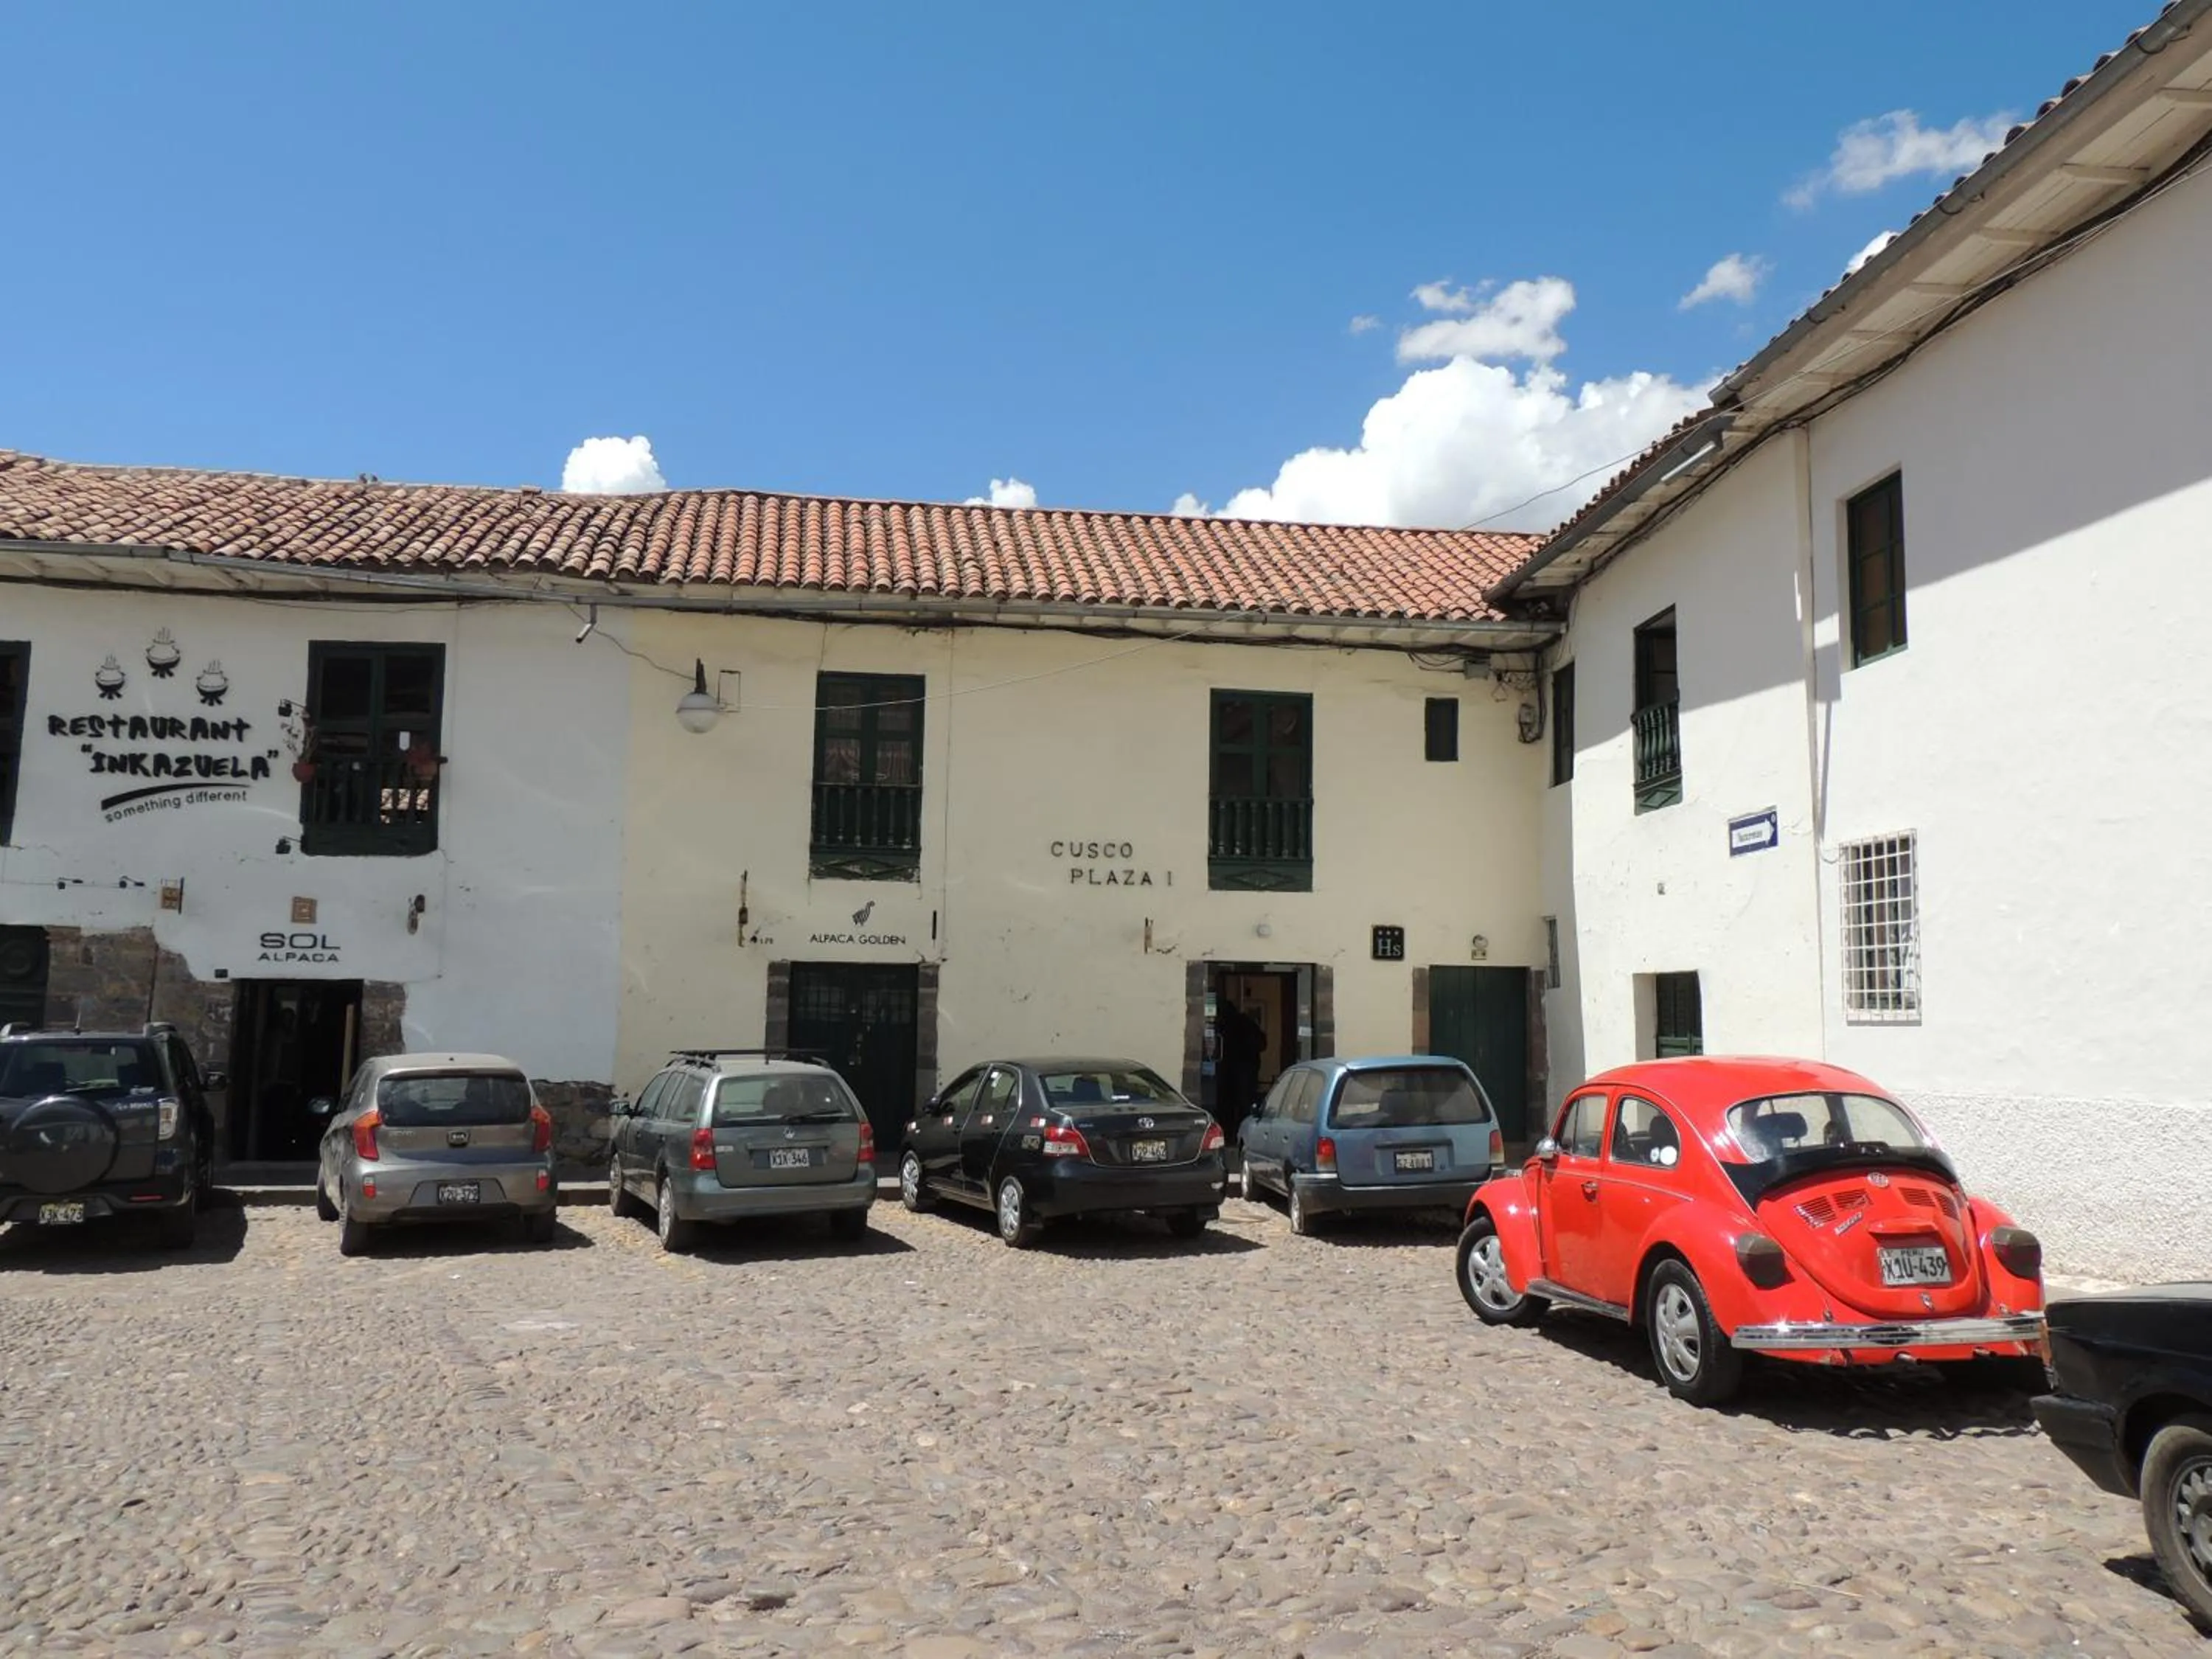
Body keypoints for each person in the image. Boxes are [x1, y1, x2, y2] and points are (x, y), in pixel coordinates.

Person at [1214, 1000, 1265, 1136]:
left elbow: (1260, 1043)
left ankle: (1232, 1133)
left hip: (1239, 1068)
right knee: (1240, 1103)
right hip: (1241, 1068)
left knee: (1235, 1103)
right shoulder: (1245, 1023)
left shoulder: (1231, 1024)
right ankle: (1239, 1133)